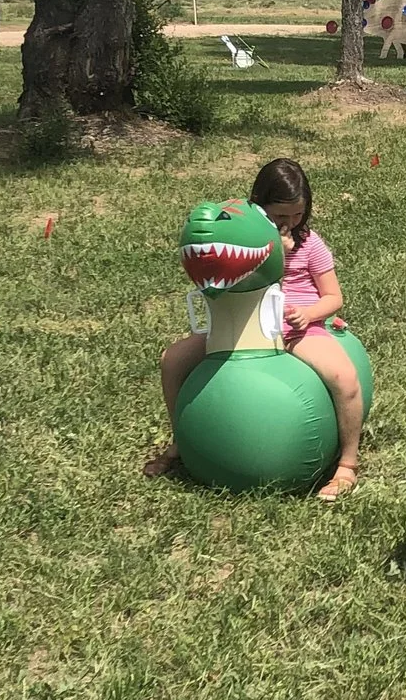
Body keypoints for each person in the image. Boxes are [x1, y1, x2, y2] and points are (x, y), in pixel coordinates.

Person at [147, 158, 365, 499]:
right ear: (259, 208)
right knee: (171, 361)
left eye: (298, 215)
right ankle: (181, 441)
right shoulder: (246, 241)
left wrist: (308, 314)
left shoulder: (310, 244)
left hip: (294, 331)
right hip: (240, 331)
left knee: (344, 377)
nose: (289, 223)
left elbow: (334, 297)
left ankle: (348, 462)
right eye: (280, 216)